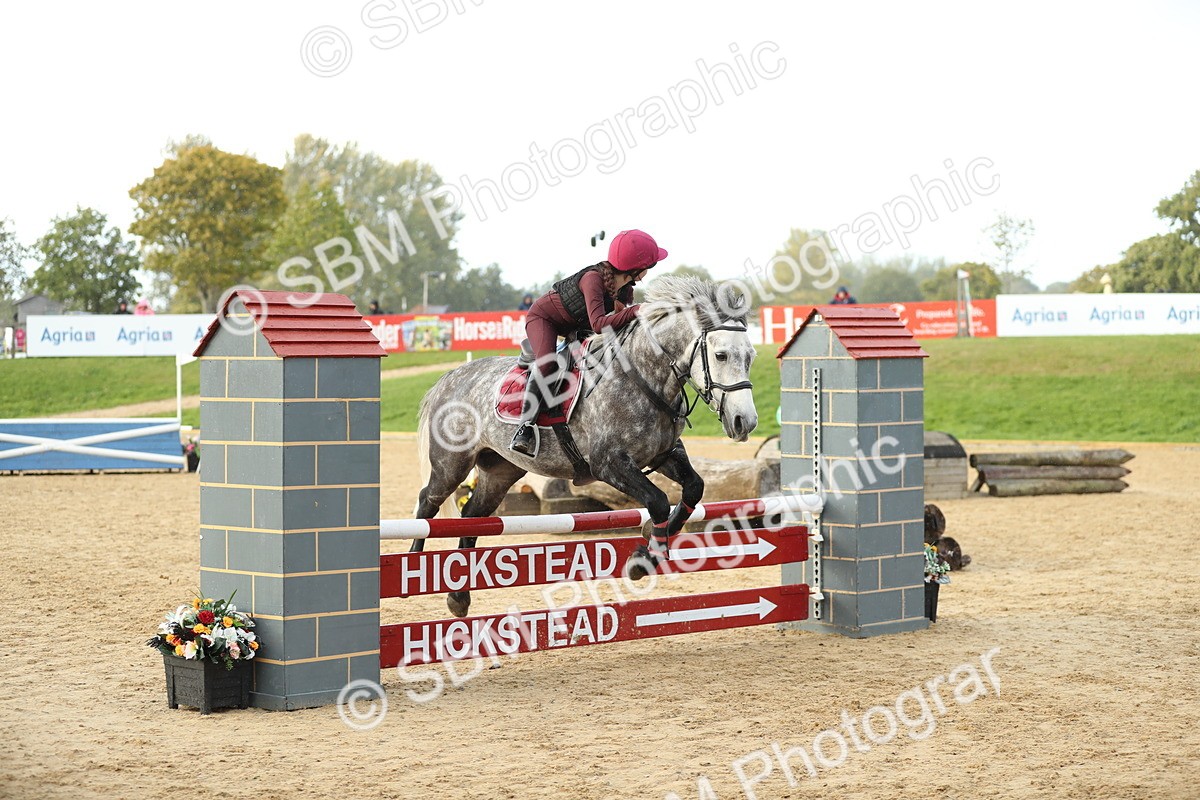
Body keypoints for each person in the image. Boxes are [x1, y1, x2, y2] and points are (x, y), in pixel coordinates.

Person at [510, 228, 667, 456]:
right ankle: (525, 427)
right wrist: (636, 310)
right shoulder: (593, 279)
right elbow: (600, 325)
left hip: (576, 327)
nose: (650, 270)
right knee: (547, 363)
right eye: (649, 266)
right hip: (544, 320)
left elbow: (620, 323)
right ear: (635, 268)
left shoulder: (625, 289)